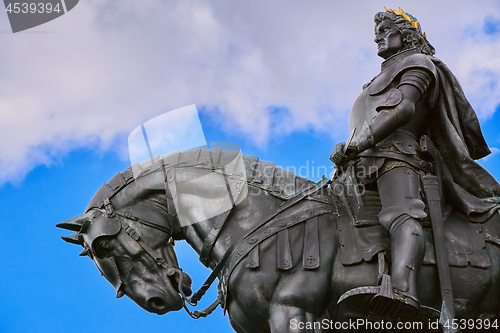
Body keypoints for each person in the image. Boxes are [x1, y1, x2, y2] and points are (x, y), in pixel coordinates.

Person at [331, 7, 500, 317]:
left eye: (385, 29)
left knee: (400, 214)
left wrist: (359, 142)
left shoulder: (418, 64)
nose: (378, 36)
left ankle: (403, 292)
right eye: (376, 32)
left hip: (399, 156)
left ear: (406, 33)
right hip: (361, 165)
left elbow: (404, 109)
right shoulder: (375, 80)